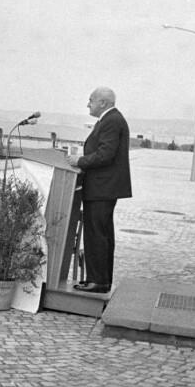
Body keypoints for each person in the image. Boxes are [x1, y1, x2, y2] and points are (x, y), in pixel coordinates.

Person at [66, 87, 132, 294]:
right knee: (100, 234)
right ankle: (99, 279)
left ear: (103, 103)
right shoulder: (111, 119)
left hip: (102, 187)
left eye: (91, 100)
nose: (88, 104)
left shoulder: (112, 121)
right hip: (102, 187)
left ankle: (98, 281)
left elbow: (105, 154)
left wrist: (79, 161)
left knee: (97, 235)